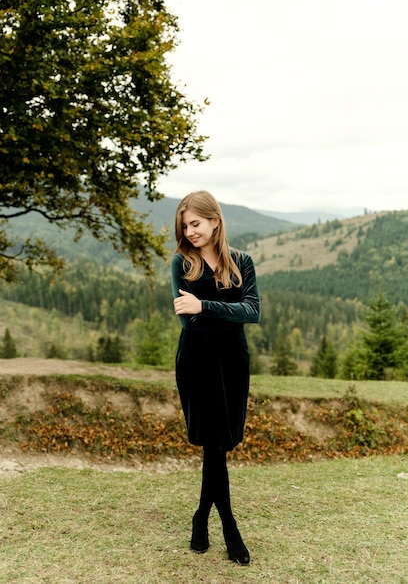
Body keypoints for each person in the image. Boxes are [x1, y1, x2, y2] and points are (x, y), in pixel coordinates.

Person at [171, 190, 261, 566]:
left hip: (233, 363)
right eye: (185, 226)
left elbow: (252, 311)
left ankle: (200, 517)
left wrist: (205, 304)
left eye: (196, 223)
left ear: (214, 221)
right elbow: (187, 320)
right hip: (197, 361)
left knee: (221, 444)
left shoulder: (241, 261)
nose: (190, 232)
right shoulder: (182, 263)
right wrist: (226, 313)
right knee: (213, 444)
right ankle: (230, 529)